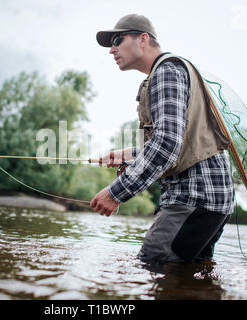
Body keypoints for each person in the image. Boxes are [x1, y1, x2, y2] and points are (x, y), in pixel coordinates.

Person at [90, 14, 234, 263]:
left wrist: (116, 193)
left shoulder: (165, 72)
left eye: (117, 39)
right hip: (212, 198)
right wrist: (129, 155)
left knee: (154, 263)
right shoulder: (170, 71)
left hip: (194, 195)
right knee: (189, 281)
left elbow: (167, 145)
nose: (111, 49)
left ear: (143, 39)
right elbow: (180, 141)